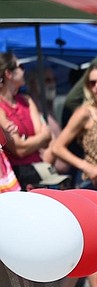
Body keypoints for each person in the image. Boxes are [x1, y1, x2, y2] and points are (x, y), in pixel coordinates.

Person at [0, 52, 53, 190]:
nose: (24, 71)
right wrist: (40, 138)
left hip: (39, 168)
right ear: (8, 74)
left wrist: (28, 141)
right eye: (21, 67)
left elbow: (48, 138)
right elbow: (18, 149)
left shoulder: (27, 100)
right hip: (18, 176)